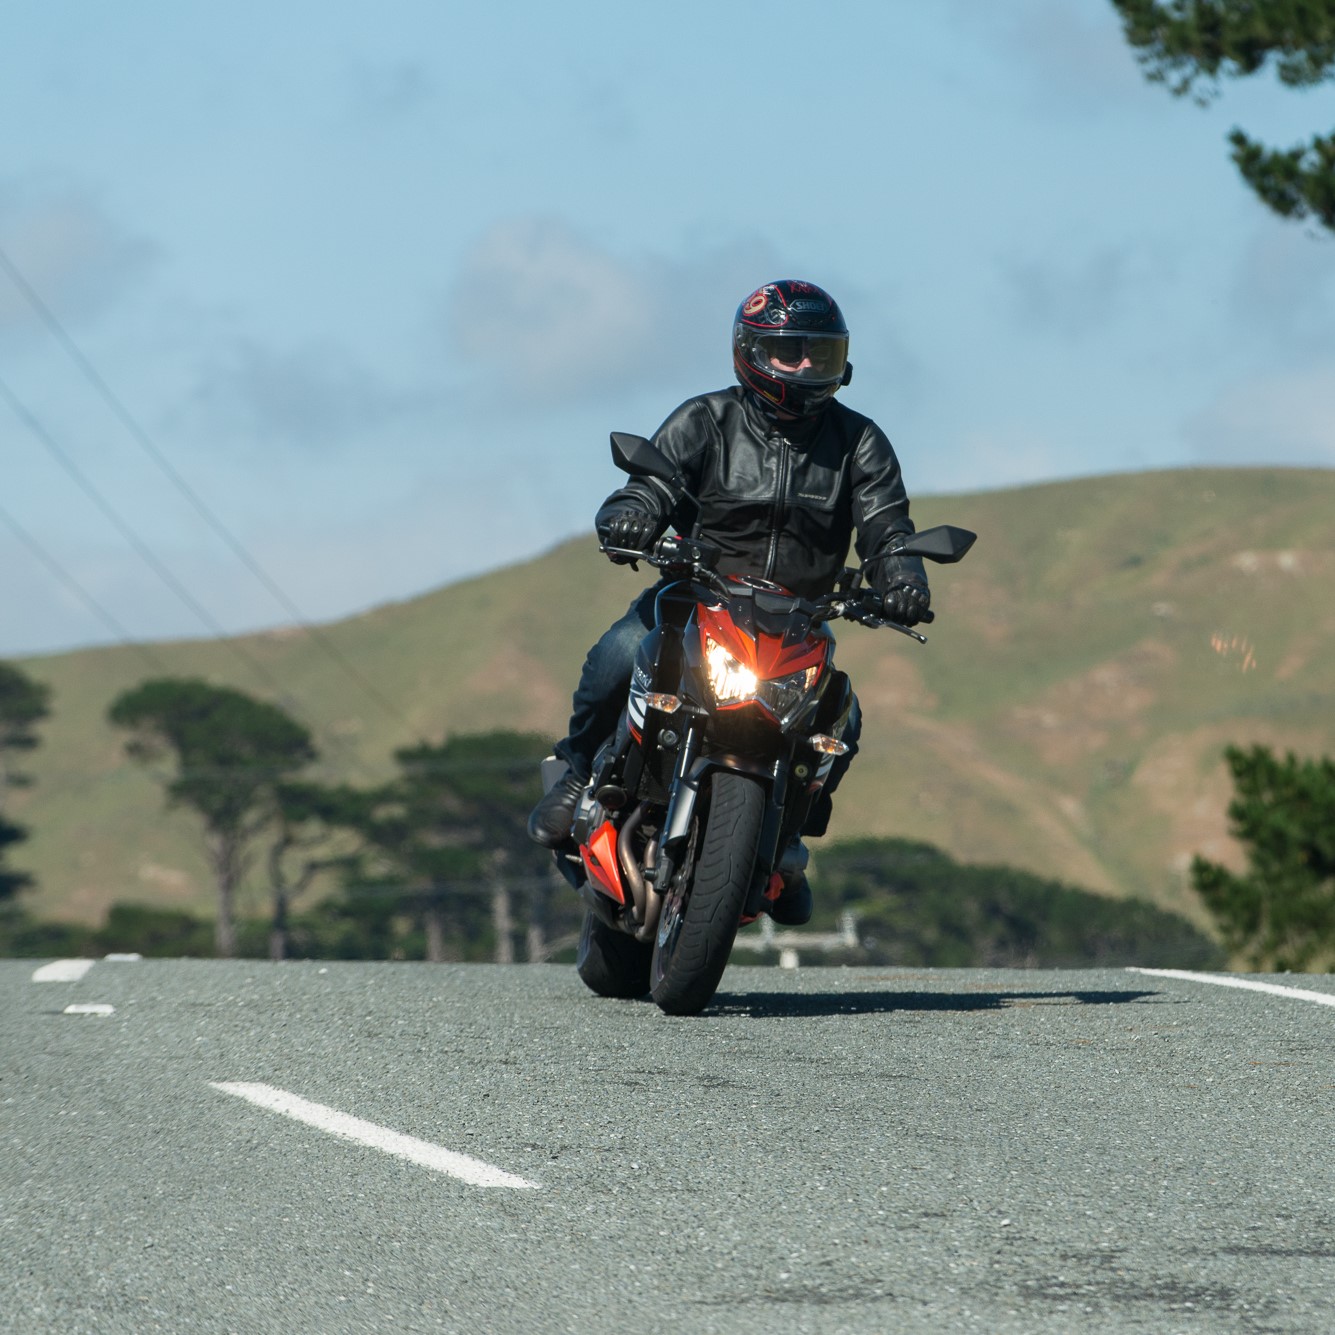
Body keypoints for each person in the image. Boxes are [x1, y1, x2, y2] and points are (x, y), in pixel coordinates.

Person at [527, 279, 930, 923]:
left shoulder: (860, 442)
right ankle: (579, 771)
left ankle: (787, 838)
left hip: (796, 620)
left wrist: (903, 579)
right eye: (791, 351)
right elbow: (647, 484)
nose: (806, 367)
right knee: (620, 651)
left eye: (819, 354)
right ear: (753, 353)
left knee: (841, 720)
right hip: (696, 598)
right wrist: (629, 515)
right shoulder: (704, 420)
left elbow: (888, 527)